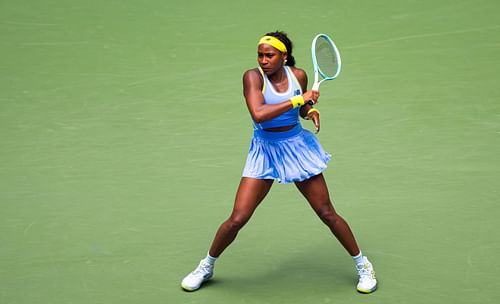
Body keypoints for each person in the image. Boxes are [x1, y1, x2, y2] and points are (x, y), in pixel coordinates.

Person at [181, 31, 377, 294]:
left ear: (283, 56)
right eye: (260, 55)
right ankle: (206, 265)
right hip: (264, 151)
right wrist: (299, 99)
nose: (263, 60)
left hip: (296, 148)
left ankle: (363, 265)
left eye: (269, 55)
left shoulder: (299, 76)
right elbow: (259, 114)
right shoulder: (252, 77)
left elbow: (301, 109)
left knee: (327, 212)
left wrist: (310, 110)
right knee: (238, 218)